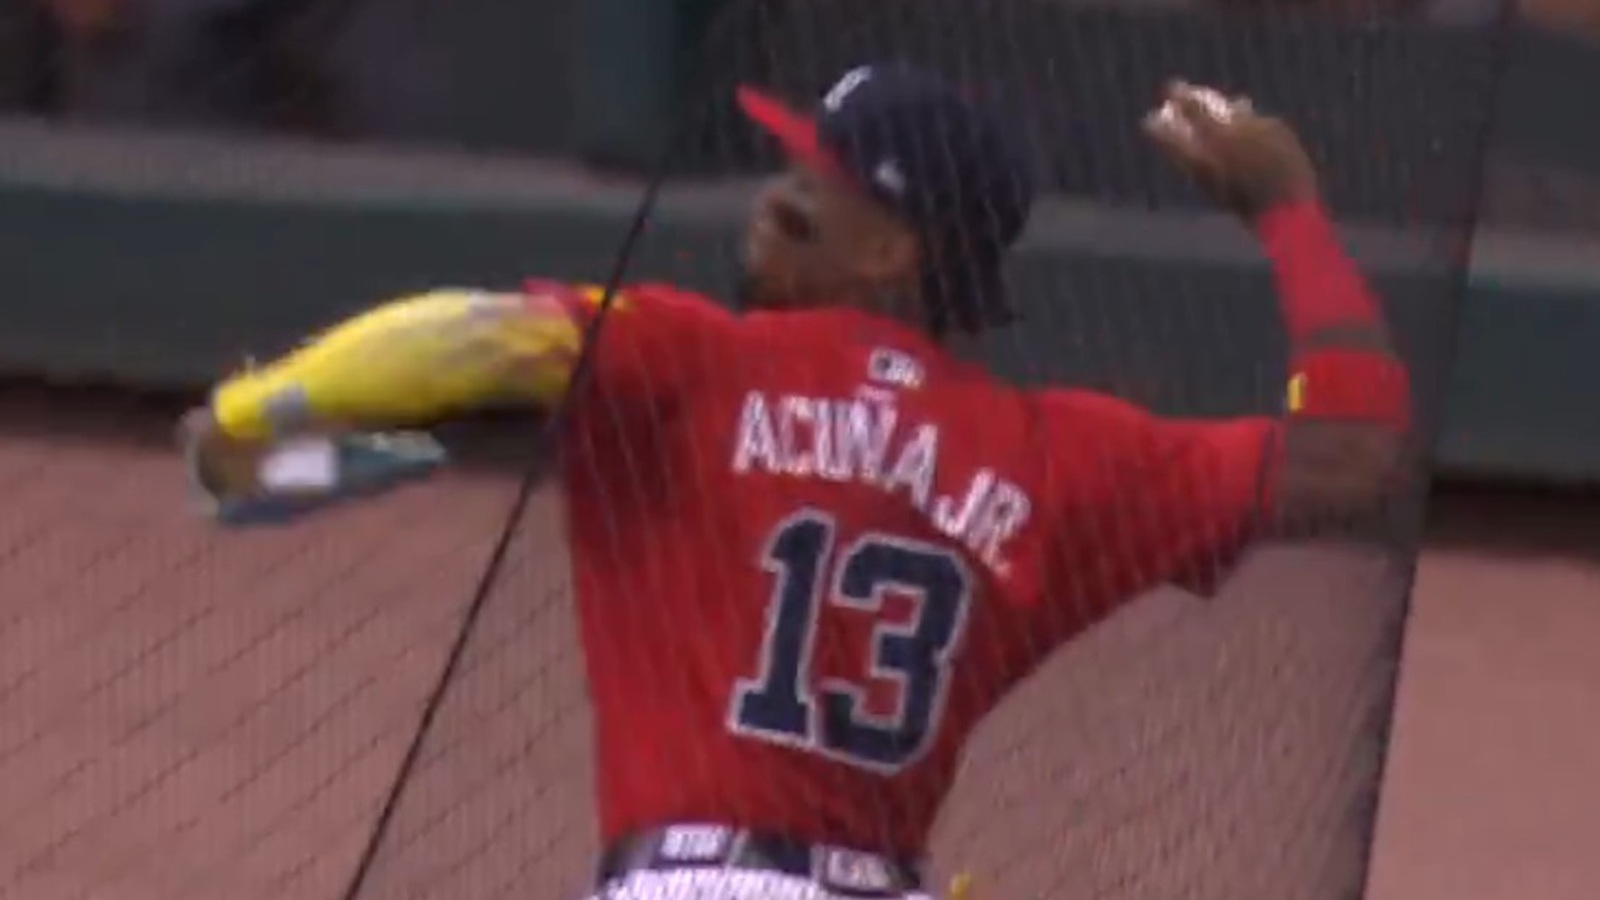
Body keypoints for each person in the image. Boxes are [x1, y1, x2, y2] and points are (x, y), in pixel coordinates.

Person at [181, 64, 1410, 900]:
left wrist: (258, 420)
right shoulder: (1066, 457)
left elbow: (479, 339)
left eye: (815, 176)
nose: (776, 191)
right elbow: (1353, 456)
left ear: (890, 248)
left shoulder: (690, 362)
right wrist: (1286, 211)